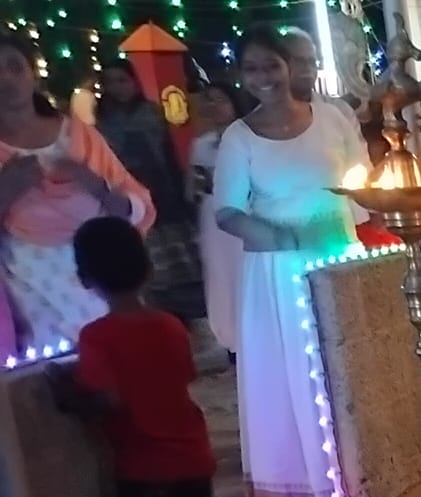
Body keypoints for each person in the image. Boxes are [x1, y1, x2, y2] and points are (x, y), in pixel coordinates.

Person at [61, 216, 253, 497]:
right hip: (191, 458)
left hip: (143, 470)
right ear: (149, 269)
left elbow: (106, 398)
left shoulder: (97, 337)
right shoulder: (169, 326)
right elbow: (181, 377)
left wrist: (67, 397)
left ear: (85, 279)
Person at [213, 27, 365, 497]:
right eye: (251, 69)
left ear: (289, 66)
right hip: (279, 273)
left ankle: (364, 475)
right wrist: (273, 236)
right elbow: (227, 212)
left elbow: (361, 184)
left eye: (271, 66)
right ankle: (310, 486)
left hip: (339, 257)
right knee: (300, 377)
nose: (264, 78)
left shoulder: (333, 119)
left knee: (349, 372)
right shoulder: (239, 138)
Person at [0, 31, 154, 350]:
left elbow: (134, 205)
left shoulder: (79, 136)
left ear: (32, 72)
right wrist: (6, 191)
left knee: (116, 362)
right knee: (58, 381)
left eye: (14, 67)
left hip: (99, 270)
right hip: (30, 280)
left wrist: (96, 186)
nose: (6, 79)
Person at [94, 60, 204, 327]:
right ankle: (162, 323)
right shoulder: (102, 123)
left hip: (164, 195)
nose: (117, 88)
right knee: (148, 271)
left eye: (123, 80)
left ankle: (191, 322)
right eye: (110, 82)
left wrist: (182, 192)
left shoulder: (152, 113)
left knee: (182, 266)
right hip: (128, 202)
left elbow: (169, 154)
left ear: (134, 82)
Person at [187, 82, 243, 354]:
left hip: (243, 212)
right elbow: (192, 187)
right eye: (208, 100)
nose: (213, 106)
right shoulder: (200, 145)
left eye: (220, 99)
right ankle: (229, 337)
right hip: (213, 214)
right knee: (220, 273)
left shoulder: (247, 137)